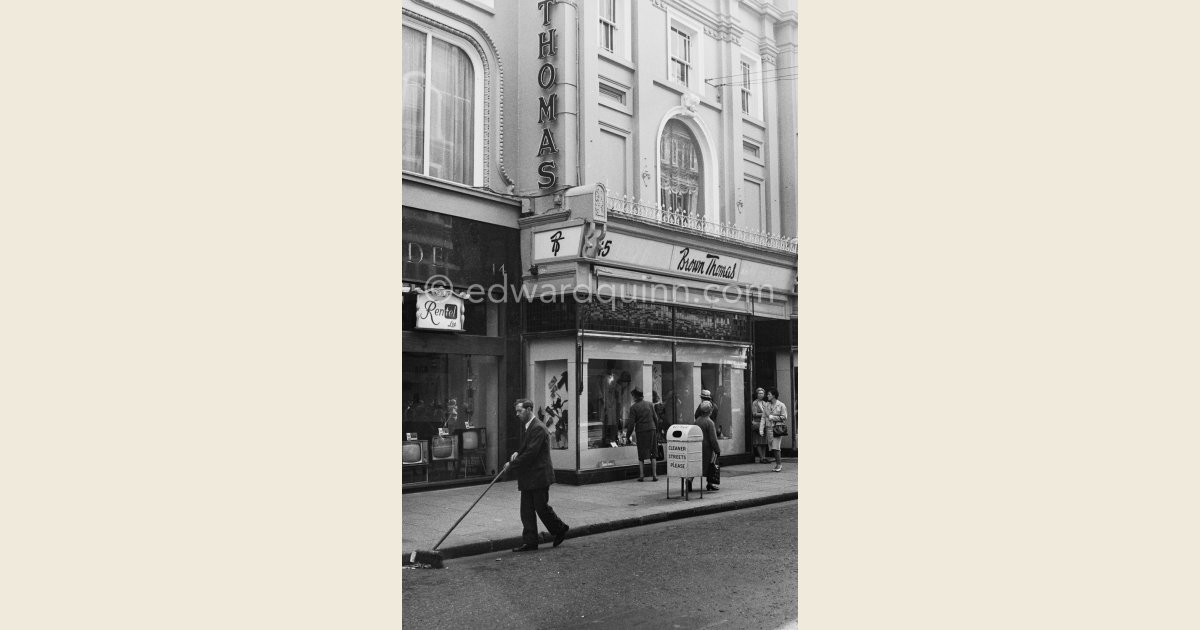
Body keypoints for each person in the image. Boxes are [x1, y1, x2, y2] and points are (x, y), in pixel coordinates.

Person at [508, 399, 570, 552]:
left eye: (519, 411)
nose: (517, 414)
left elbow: (531, 453)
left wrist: (512, 465)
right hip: (530, 476)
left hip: (539, 476)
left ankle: (560, 529)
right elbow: (528, 448)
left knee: (541, 508)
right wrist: (518, 453)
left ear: (529, 409)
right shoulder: (530, 426)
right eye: (516, 411)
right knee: (526, 510)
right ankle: (530, 542)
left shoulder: (538, 428)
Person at [624, 389, 659, 482]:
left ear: (635, 397)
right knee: (653, 453)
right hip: (652, 429)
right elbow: (655, 418)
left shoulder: (634, 407)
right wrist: (656, 429)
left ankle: (642, 475)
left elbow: (631, 424)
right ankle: (655, 475)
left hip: (641, 431)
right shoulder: (650, 404)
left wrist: (627, 436)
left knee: (641, 454)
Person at [692, 400, 722, 492]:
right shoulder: (710, 422)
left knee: (696, 465)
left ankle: (689, 480)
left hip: (698, 446)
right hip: (707, 448)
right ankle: (710, 483)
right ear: (710, 411)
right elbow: (713, 439)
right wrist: (717, 450)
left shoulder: (697, 421)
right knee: (711, 465)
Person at [759, 387, 788, 472]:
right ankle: (777, 464)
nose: (767, 396)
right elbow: (763, 417)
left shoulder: (781, 405)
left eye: (769, 394)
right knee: (772, 448)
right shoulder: (767, 405)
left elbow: (784, 417)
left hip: (777, 429)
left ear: (774, 395)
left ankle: (779, 464)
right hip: (769, 428)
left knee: (776, 447)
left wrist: (773, 417)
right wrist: (761, 429)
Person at [749, 387, 770, 463]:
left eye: (762, 393)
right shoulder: (754, 403)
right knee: (758, 441)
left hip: (764, 424)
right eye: (759, 393)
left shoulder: (765, 403)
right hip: (757, 424)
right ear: (757, 394)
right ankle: (761, 457)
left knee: (764, 442)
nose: (761, 395)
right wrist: (764, 414)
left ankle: (764, 457)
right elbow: (754, 414)